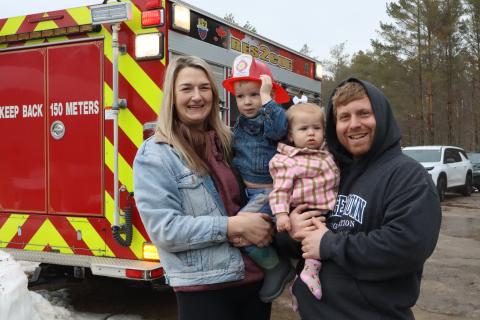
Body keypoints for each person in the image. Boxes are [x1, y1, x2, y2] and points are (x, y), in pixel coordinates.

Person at [286, 78, 442, 319]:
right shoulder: (331, 172)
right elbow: (296, 241)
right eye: (344, 117)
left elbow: (407, 246)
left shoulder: (408, 175)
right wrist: (292, 229)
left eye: (364, 113)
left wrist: (329, 245)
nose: (354, 124)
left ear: (382, 116)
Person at [133, 55, 274, 320]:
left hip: (254, 281)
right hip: (203, 289)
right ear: (171, 97)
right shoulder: (156, 155)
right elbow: (165, 230)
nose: (197, 96)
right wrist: (233, 226)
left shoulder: (231, 141)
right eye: (186, 88)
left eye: (204, 87)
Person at [222, 53, 294, 302]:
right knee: (245, 231)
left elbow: (279, 128)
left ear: (268, 96)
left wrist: (267, 100)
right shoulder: (240, 124)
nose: (248, 102)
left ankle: (276, 267)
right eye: (241, 96)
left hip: (270, 192)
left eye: (255, 95)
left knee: (240, 231)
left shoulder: (270, 120)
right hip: (249, 191)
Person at [268, 103, 339, 304]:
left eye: (316, 128)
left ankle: (301, 285)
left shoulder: (327, 153)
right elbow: (280, 190)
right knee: (313, 246)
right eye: (304, 129)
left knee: (326, 244)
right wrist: (281, 214)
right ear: (290, 135)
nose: (311, 134)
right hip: (305, 208)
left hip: (327, 209)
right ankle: (308, 274)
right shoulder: (288, 160)